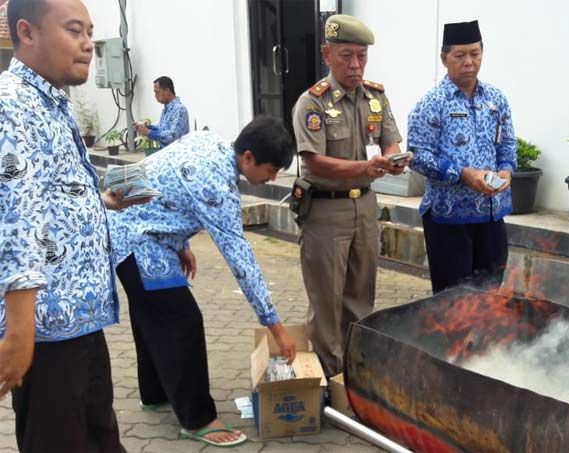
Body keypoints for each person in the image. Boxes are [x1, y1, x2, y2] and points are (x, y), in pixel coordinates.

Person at [0, 0, 147, 451]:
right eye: (74, 31)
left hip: (79, 320)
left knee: (100, 438)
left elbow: (47, 195)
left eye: (89, 31)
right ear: (27, 33)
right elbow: (15, 217)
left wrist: (99, 202)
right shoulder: (12, 104)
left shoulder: (51, 100)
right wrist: (20, 331)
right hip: (44, 331)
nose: (88, 45)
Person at [108, 116, 297, 448]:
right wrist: (275, 326)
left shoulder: (208, 141)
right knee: (182, 321)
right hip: (138, 239)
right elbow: (240, 259)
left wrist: (180, 244)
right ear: (248, 157)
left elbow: (162, 181)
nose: (273, 178)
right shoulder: (217, 184)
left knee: (151, 314)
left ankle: (155, 394)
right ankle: (198, 419)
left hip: (129, 226)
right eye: (271, 170)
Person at [290, 14, 407, 377]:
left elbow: (389, 142)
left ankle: (355, 373)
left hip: (365, 207)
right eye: (346, 56)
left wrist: (394, 161)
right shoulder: (312, 104)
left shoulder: (376, 97)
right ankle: (329, 378)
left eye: (361, 56)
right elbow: (314, 163)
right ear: (327, 54)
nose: (355, 65)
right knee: (327, 301)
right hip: (326, 211)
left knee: (360, 296)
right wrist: (365, 169)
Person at [408, 20, 516, 294]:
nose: (469, 62)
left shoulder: (496, 99)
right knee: (453, 303)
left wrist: (506, 172)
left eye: (475, 54)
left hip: (491, 217)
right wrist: (462, 174)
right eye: (460, 55)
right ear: (444, 58)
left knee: (490, 296)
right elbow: (418, 155)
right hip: (448, 219)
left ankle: (484, 339)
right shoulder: (432, 103)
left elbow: (507, 144)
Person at [135, 75, 190, 149]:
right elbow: (162, 128)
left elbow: (173, 136)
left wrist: (149, 132)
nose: (155, 96)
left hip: (175, 154)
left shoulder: (179, 109)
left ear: (167, 91)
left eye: (157, 92)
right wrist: (146, 127)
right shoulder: (166, 110)